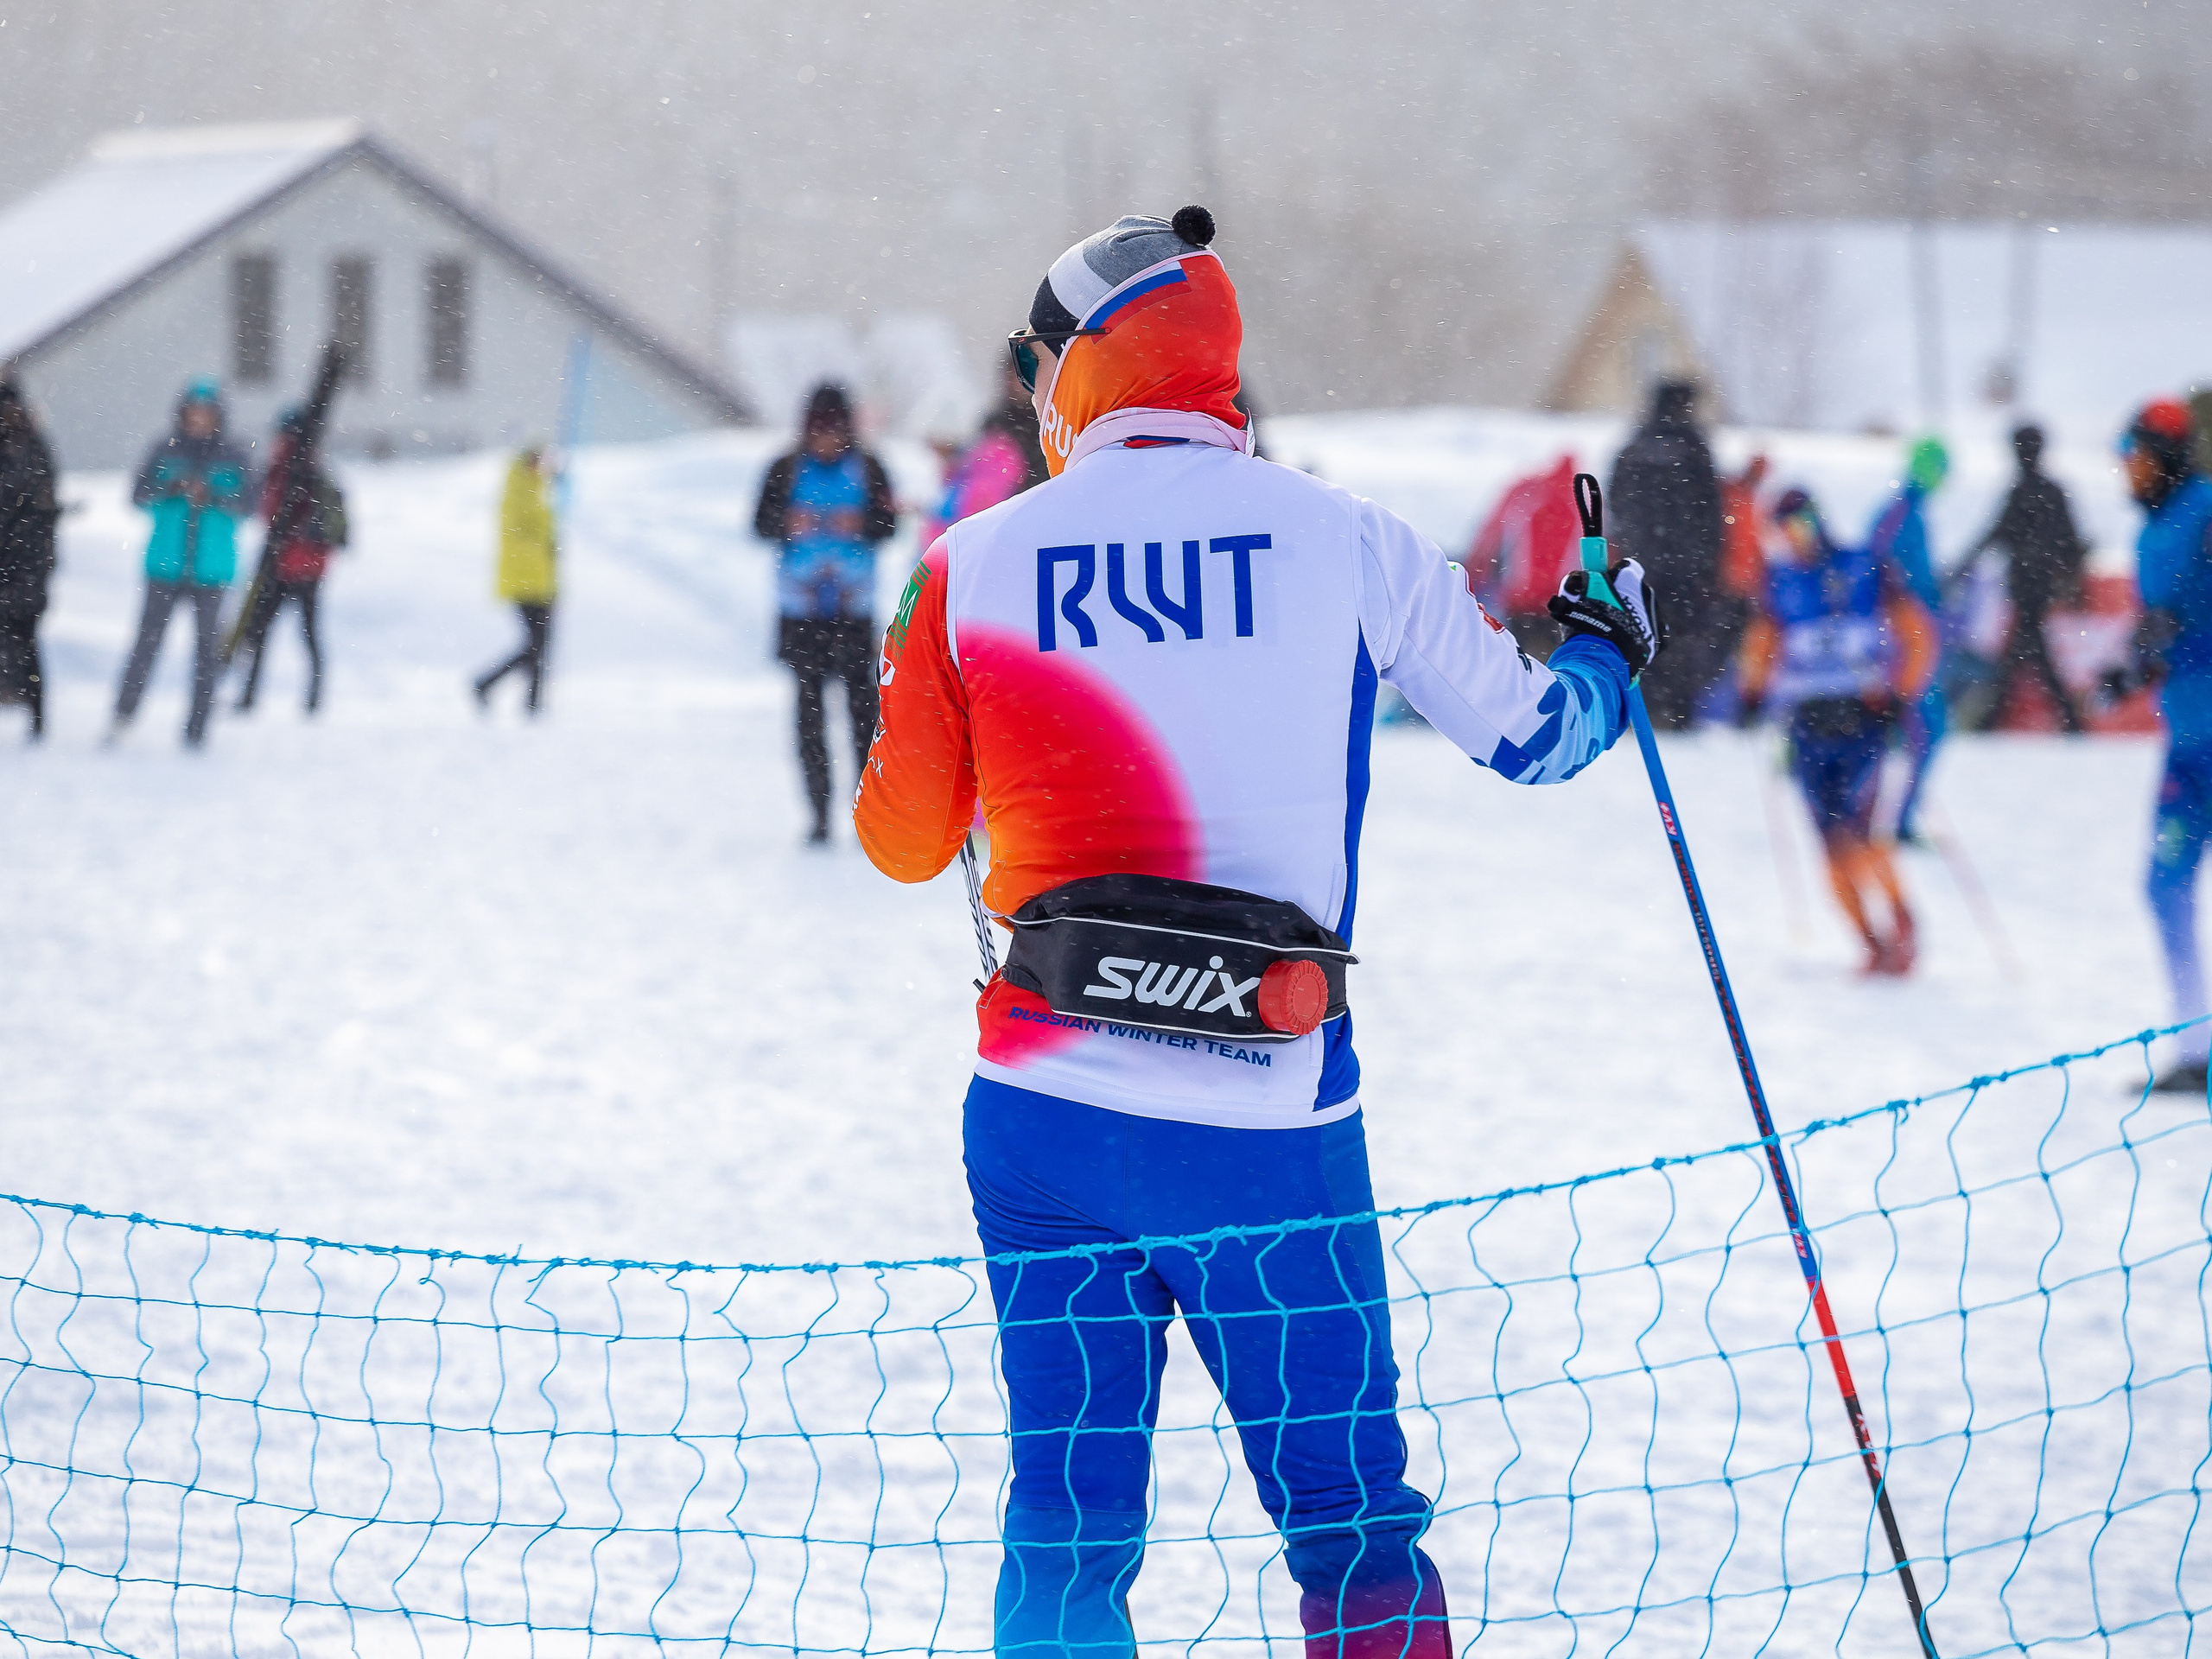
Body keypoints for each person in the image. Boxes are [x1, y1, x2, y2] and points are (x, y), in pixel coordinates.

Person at [854, 206, 1661, 1659]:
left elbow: (900, 841)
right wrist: (1603, 651)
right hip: (1270, 1118)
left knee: (1071, 1521)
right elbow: (1538, 740)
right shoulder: (1345, 538)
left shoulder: (972, 560)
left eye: (1046, 357)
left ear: (1085, 364)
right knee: (1350, 1518)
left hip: (1045, 1111)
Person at [1739, 486, 1936, 976]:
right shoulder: (1780, 580)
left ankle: (1902, 922)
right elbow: (1764, 640)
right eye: (1783, 531)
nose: (1794, 539)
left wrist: (1901, 693)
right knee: (1829, 845)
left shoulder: (1864, 566)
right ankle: (1870, 943)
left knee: (1859, 835)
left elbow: (1916, 632)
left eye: (1800, 525)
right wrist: (1754, 693)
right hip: (1807, 726)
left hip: (1862, 720)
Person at [753, 383, 897, 843]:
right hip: (801, 616)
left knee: (864, 718)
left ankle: (867, 812)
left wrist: (862, 525)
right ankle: (818, 814)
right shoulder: (784, 468)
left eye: (835, 431)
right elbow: (758, 524)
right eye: (820, 430)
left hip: (853, 615)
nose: (827, 440)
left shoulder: (870, 468)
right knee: (809, 719)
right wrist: (786, 522)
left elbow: (888, 524)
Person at [2126, 398, 2212, 1093]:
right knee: (2165, 884)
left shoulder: (2205, 510)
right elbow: (2165, 623)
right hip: (2188, 743)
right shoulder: (2152, 532)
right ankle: (2195, 1047)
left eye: (2139, 456)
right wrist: (2137, 659)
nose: (2128, 471)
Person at [111, 378, 254, 749]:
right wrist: (171, 488)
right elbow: (137, 494)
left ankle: (198, 728)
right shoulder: (164, 449)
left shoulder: (235, 454)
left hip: (213, 568)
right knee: (147, 644)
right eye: (194, 412)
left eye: (207, 413)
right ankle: (123, 715)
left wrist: (216, 497)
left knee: (207, 651)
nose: (200, 419)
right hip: (165, 565)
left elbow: (250, 505)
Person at [1953, 424, 2088, 735]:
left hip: (2033, 587)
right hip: (2032, 586)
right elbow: (1999, 533)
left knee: (2023, 654)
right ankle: (2066, 719)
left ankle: (1998, 718)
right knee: (2027, 652)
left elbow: (1998, 534)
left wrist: (1963, 564)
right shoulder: (2037, 492)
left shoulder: (2034, 492)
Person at [1606, 378, 1724, 728]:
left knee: (1641, 632)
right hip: (1687, 567)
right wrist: (1708, 560)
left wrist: (1633, 543)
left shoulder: (1634, 445)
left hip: (1641, 564)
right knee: (1683, 637)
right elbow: (1712, 510)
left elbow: (1616, 501)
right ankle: (1678, 709)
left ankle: (1644, 709)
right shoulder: (1694, 447)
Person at [233, 406, 348, 716]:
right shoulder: (305, 470)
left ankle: (255, 696)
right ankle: (307, 698)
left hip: (293, 565)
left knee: (269, 631)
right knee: (299, 633)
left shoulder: (296, 472)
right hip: (298, 565)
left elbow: (268, 511)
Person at [1866, 436, 1951, 839]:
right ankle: (1890, 820)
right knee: (1921, 729)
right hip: (1904, 642)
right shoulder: (1900, 514)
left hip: (1914, 637)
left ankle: (1895, 819)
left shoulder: (1908, 512)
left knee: (1920, 731)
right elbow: (1876, 568)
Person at [1463, 453, 1579, 652]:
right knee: (1555, 665)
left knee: (1517, 662)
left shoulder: (1526, 491)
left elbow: (1490, 534)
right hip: (1561, 603)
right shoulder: (1583, 499)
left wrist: (1474, 573)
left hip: (1520, 600)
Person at [473, 447, 559, 714]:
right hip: (526, 581)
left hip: (542, 579)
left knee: (540, 646)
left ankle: (531, 703)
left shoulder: (536, 492)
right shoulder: (520, 493)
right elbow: (526, 537)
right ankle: (488, 684)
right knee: (535, 646)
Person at [0, 376, 60, 741]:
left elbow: (44, 510)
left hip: (27, 562)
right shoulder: (32, 447)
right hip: (21, 559)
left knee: (25, 640)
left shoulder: (33, 449)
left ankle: (36, 713)